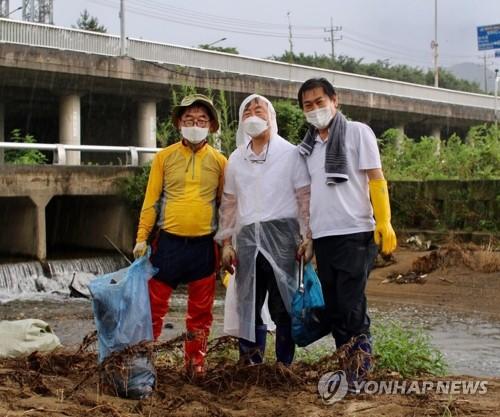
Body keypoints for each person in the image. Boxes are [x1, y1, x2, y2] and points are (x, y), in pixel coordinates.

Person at [296, 78, 397, 388]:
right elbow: (310, 196)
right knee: (336, 306)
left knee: (350, 306)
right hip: (325, 237)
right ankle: (347, 364)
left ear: (334, 101)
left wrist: (384, 221)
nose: (315, 109)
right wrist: (309, 238)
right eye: (307, 106)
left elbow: (376, 179)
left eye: (319, 102)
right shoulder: (308, 147)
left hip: (356, 232)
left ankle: (361, 371)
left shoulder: (357, 133)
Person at [133, 94, 227, 376]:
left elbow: (226, 207)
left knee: (201, 313)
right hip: (168, 243)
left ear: (211, 125)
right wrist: (141, 237)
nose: (195, 124)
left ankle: (195, 363)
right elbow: (151, 200)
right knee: (152, 307)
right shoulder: (164, 157)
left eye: (201, 120)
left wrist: (227, 244)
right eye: (189, 120)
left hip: (203, 246)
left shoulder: (221, 162)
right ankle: (143, 359)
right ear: (178, 124)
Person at [216, 94, 312, 366]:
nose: (253, 115)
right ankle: (250, 364)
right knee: (248, 304)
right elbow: (230, 203)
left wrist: (308, 237)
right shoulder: (236, 158)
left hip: (283, 237)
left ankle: (284, 365)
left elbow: (304, 198)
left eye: (259, 110)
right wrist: (226, 243)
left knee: (283, 305)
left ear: (271, 117)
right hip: (247, 239)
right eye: (247, 111)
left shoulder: (290, 153)